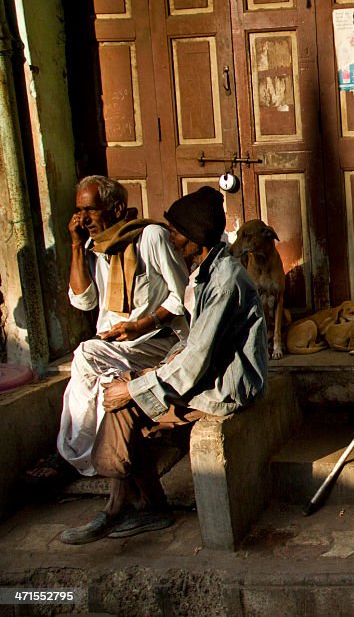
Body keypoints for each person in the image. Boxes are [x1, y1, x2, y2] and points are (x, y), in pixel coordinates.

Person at [59, 186, 268, 544]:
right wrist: (145, 376)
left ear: (194, 236)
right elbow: (194, 344)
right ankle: (142, 506)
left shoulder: (224, 281)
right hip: (212, 374)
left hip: (230, 385)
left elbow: (196, 362)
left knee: (125, 401)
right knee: (121, 392)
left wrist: (137, 386)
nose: (169, 238)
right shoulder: (208, 272)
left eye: (175, 232)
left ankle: (123, 508)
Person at [24, 176, 188, 487]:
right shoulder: (95, 246)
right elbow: (83, 301)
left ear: (117, 208)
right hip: (114, 346)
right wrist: (75, 245)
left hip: (155, 341)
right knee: (93, 380)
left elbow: (181, 297)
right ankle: (93, 457)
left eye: (91, 211)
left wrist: (143, 323)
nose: (83, 220)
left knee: (85, 356)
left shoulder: (150, 237)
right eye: (78, 211)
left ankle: (71, 458)